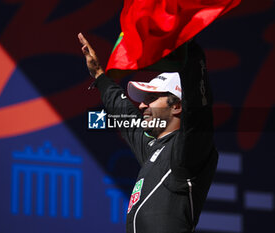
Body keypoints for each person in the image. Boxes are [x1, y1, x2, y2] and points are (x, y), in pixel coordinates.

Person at [78, 33, 218, 233]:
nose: (142, 105)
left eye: (151, 98)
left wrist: (189, 49)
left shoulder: (188, 150)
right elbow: (124, 113)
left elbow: (197, 106)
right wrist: (100, 76)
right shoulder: (152, 147)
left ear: (177, 105)